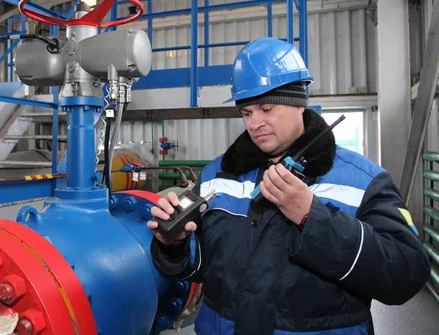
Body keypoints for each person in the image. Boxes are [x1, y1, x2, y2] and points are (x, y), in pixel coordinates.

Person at [148, 37, 431, 335]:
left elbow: (405, 273)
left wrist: (312, 217)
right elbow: (198, 267)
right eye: (246, 113)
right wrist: (174, 245)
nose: (254, 124)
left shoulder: (363, 181)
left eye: (267, 109)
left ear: (299, 104)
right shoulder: (218, 176)